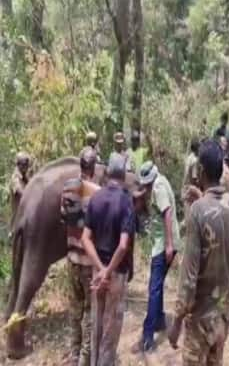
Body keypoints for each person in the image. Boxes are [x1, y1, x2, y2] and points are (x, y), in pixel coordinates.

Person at [167, 139, 229, 366]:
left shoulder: (198, 212)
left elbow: (189, 278)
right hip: (222, 315)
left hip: (200, 318)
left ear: (200, 170)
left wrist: (177, 322)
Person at [80, 154, 136, 366]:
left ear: (106, 173)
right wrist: (109, 271)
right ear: (123, 175)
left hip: (97, 273)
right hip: (116, 274)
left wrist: (100, 269)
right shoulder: (126, 202)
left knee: (97, 327)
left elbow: (85, 238)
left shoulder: (96, 198)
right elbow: (123, 245)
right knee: (110, 334)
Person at [131, 161, 182, 353]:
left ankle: (147, 337)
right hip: (162, 242)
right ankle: (160, 319)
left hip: (163, 245)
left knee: (153, 288)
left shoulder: (158, 187)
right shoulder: (159, 181)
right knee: (157, 285)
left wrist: (168, 245)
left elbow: (167, 212)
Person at [60, 148, 101, 366]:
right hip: (88, 263)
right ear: (94, 168)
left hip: (71, 259)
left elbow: (64, 218)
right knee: (90, 315)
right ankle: (85, 360)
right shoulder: (98, 193)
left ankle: (73, 355)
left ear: (80, 165)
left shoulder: (66, 188)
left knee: (74, 312)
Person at [9, 152, 32, 222]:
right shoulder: (15, 178)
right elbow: (22, 193)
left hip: (25, 219)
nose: (27, 167)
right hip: (18, 221)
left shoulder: (24, 177)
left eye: (27, 165)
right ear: (19, 164)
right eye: (25, 164)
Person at [182, 138, 200, 222]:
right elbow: (194, 178)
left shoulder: (189, 158)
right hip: (191, 191)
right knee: (192, 219)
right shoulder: (195, 161)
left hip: (185, 188)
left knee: (187, 216)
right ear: (197, 148)